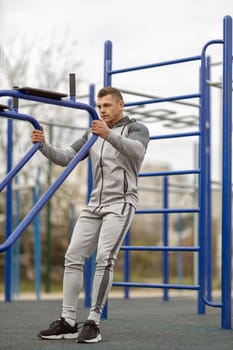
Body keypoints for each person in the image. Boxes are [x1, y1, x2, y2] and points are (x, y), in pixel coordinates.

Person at [32, 86, 150, 343]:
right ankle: (68, 321)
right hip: (94, 204)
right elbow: (67, 157)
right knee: (73, 257)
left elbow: (137, 151)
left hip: (120, 203)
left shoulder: (136, 129)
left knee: (104, 259)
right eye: (99, 106)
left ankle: (93, 322)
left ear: (121, 104)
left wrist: (108, 135)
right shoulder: (92, 133)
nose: (102, 110)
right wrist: (43, 146)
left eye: (107, 105)